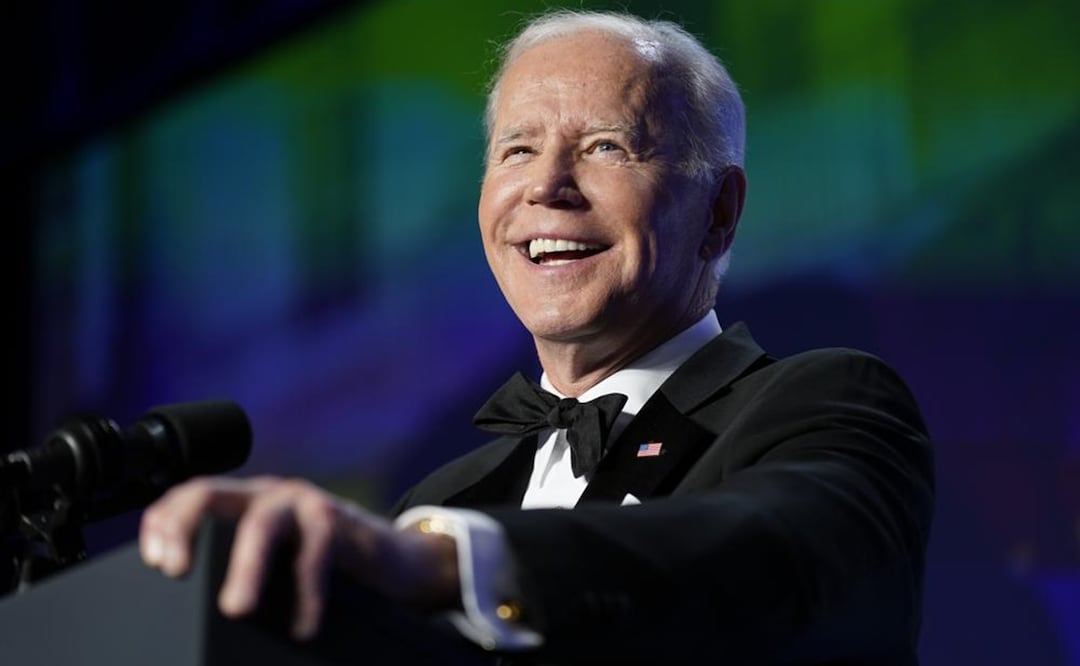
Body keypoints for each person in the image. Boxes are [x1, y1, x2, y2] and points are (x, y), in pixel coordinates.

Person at [139, 9, 934, 665]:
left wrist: (446, 561)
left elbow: (766, 552)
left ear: (719, 211)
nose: (546, 188)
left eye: (605, 148)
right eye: (517, 149)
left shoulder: (825, 401)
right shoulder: (440, 494)